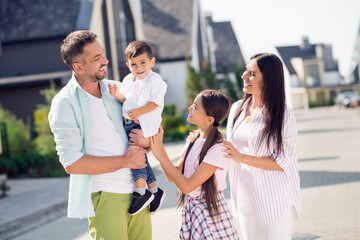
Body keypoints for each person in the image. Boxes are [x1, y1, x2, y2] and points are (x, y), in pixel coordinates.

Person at [48, 30, 152, 240]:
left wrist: (147, 140)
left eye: (102, 54)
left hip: (139, 194)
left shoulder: (119, 88)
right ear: (78, 67)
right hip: (106, 196)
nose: (105, 60)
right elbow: (72, 163)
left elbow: (150, 126)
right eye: (97, 58)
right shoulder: (64, 103)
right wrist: (124, 161)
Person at [222, 53, 300, 240]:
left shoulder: (284, 115)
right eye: (245, 71)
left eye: (252, 74)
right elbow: (228, 150)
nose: (244, 77)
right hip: (243, 197)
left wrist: (242, 158)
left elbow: (282, 161)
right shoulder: (237, 109)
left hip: (275, 198)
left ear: (269, 79)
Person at [150, 90, 239, 240]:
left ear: (210, 119)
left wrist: (161, 154)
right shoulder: (194, 139)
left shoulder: (218, 149)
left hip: (210, 211)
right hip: (193, 210)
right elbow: (173, 177)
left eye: (196, 107)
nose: (190, 107)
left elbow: (187, 186)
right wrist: (159, 150)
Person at [108, 40, 167, 215]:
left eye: (143, 63)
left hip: (143, 124)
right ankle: (155, 191)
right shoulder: (128, 80)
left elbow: (156, 103)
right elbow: (126, 100)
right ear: (128, 65)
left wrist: (139, 111)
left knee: (135, 156)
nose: (139, 68)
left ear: (152, 62)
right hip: (129, 122)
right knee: (141, 158)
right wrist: (117, 94)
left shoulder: (155, 80)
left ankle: (141, 192)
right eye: (134, 64)